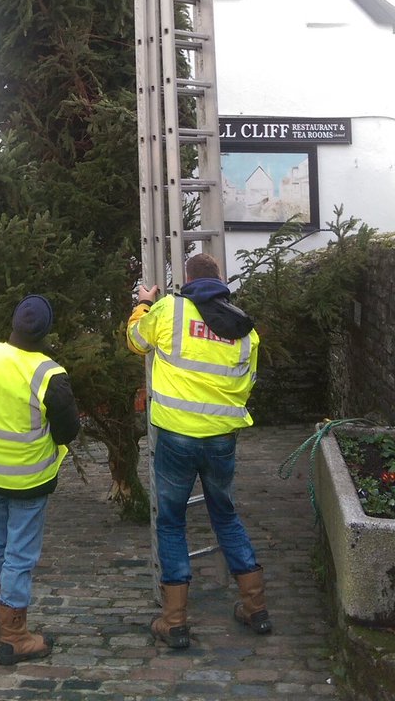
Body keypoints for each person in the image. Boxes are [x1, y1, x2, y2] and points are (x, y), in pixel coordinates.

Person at [126, 252, 272, 649]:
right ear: (220, 279)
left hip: (176, 434)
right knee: (225, 514)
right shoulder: (246, 329)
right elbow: (248, 383)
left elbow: (136, 342)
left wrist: (143, 302)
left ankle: (174, 621)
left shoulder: (169, 310)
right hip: (223, 435)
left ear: (187, 280)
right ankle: (255, 607)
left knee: (171, 521)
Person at [0, 293, 80, 665]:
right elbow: (68, 431)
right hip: (30, 478)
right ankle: (13, 635)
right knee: (19, 554)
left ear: (13, 325)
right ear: (46, 332)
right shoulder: (49, 374)